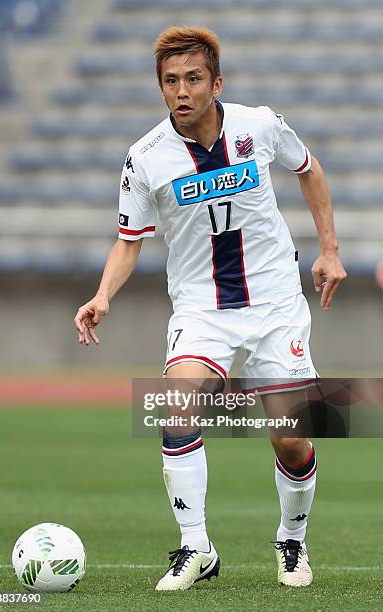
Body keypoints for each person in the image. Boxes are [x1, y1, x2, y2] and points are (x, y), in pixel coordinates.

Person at [74, 26, 347, 590]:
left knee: (291, 435)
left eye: (193, 79)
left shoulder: (260, 125)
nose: (182, 91)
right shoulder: (145, 157)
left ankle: (291, 540)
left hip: (273, 301)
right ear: (160, 88)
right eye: (170, 81)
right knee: (178, 409)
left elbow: (310, 170)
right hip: (202, 307)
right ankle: (195, 547)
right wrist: (103, 295)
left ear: (215, 83)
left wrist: (329, 251)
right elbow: (130, 239)